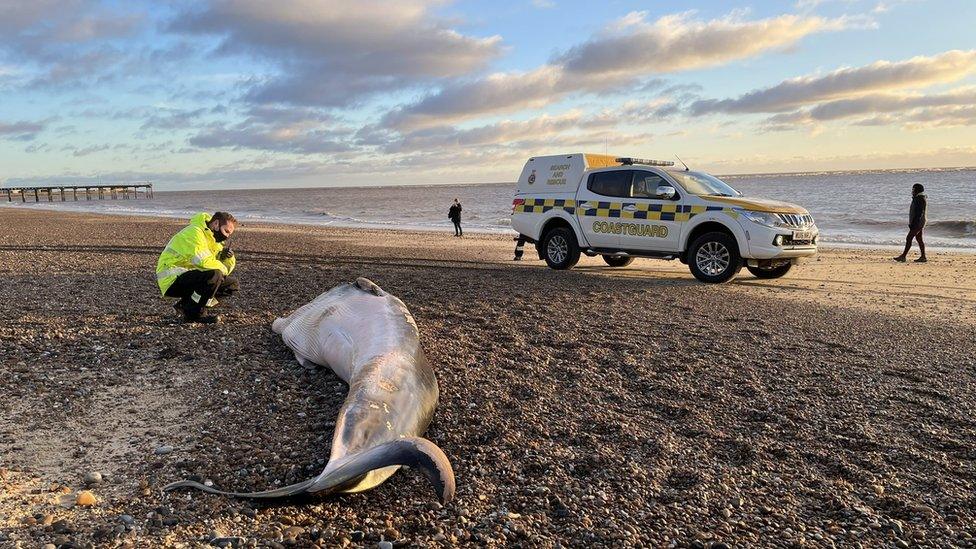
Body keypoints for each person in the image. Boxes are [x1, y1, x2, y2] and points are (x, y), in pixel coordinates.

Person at [156, 211, 239, 323]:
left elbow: (223, 268)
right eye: (226, 231)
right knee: (215, 275)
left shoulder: (212, 239)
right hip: (171, 278)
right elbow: (203, 261)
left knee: (232, 285)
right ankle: (195, 314)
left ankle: (187, 305)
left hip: (189, 275)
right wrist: (221, 271)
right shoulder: (195, 232)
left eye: (230, 234)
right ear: (216, 224)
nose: (227, 236)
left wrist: (227, 258)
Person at [894, 184, 927, 263]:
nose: (912, 191)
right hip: (918, 222)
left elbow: (919, 213)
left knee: (909, 238)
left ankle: (903, 256)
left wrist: (914, 224)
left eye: (913, 189)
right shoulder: (918, 198)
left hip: (918, 222)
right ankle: (923, 257)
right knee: (919, 239)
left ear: (917, 190)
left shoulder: (920, 199)